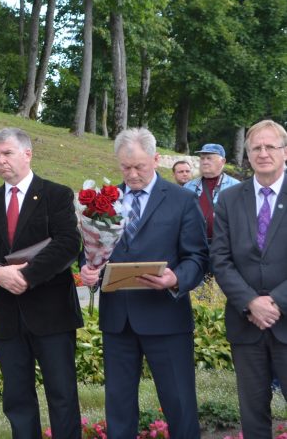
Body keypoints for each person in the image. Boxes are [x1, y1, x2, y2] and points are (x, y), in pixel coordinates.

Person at [80, 127, 208, 439]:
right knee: (119, 407)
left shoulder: (182, 200)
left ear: (156, 159)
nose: (133, 174)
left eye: (140, 166)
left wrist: (176, 277)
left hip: (166, 317)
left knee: (179, 403)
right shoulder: (101, 203)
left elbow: (198, 256)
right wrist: (89, 271)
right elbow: (88, 251)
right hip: (118, 321)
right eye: (125, 167)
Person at [0, 128, 83, 439]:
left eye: (7, 153)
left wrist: (26, 277)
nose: (1, 161)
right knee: (17, 398)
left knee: (61, 395)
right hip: (7, 315)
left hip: (51, 313)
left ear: (27, 153)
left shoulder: (56, 194)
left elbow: (68, 243)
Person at [212, 120, 287, 439]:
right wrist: (250, 303)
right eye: (256, 147)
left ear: (285, 152)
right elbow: (220, 257)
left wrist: (275, 302)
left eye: (271, 146)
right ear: (247, 154)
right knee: (253, 413)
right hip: (246, 324)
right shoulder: (229, 199)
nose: (263, 153)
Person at [184, 143, 238, 244]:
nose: (205, 162)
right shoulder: (188, 186)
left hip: (223, 245)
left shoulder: (235, 187)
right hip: (193, 244)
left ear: (223, 161)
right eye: (202, 158)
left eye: (209, 158)